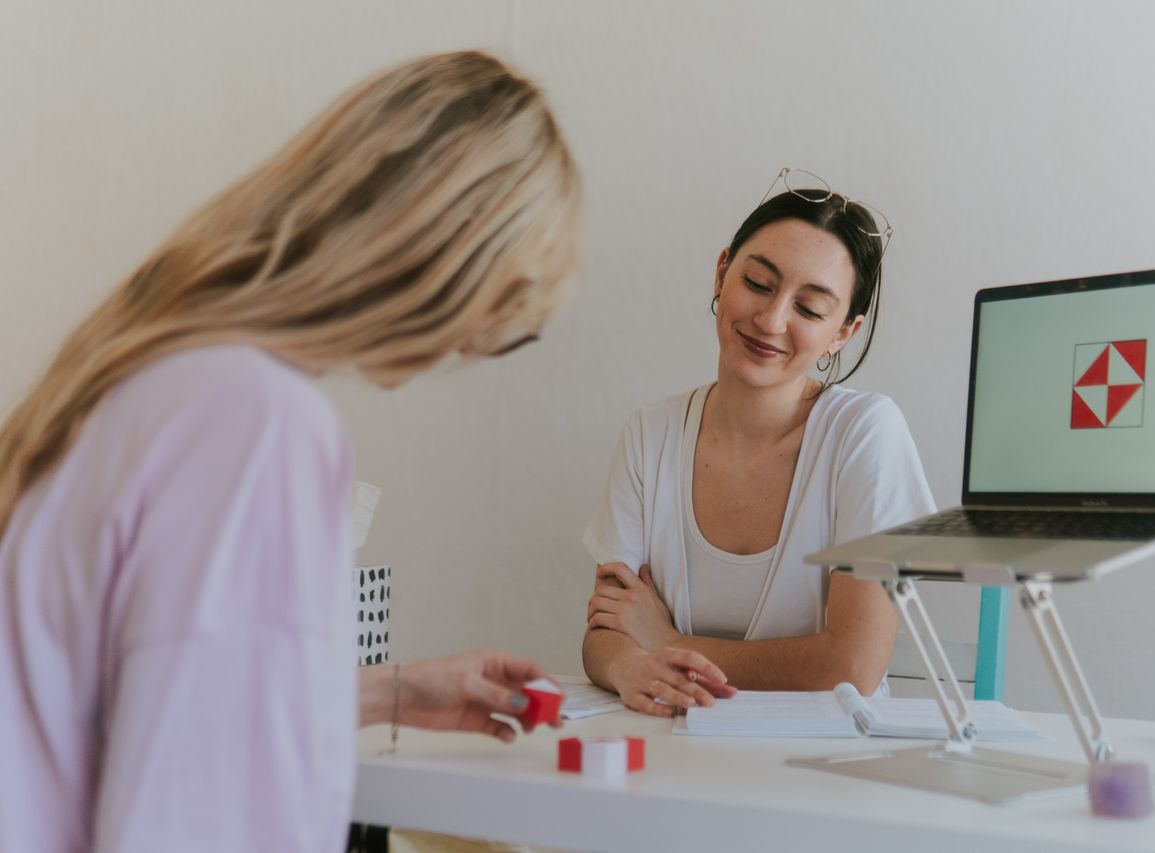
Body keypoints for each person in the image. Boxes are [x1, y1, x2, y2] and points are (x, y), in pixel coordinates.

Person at [0, 51, 580, 853]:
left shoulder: (155, 363)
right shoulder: (256, 422)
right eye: (509, 315)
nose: (472, 348)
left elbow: (165, 702)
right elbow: (193, 814)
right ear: (457, 255)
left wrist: (391, 692)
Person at [581, 169, 936, 716]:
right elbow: (606, 634)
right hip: (671, 744)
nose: (771, 320)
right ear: (722, 273)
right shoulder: (650, 434)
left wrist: (668, 642)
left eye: (809, 309)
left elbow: (852, 668)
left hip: (825, 755)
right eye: (758, 283)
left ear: (843, 332)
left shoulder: (866, 433)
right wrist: (628, 666)